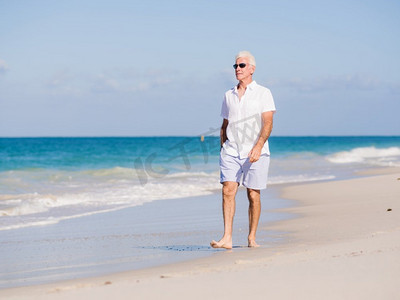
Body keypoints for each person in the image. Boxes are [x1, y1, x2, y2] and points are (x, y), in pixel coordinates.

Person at [210, 51, 276, 249]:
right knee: (228, 190)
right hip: (231, 151)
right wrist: (223, 148)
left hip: (256, 152)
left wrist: (258, 147)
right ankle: (227, 238)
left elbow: (268, 122)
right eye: (235, 66)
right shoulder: (228, 95)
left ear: (252, 69)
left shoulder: (264, 93)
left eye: (242, 65)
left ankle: (251, 237)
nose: (237, 69)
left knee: (253, 194)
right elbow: (224, 124)